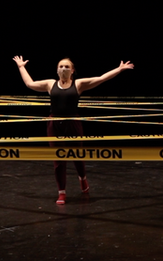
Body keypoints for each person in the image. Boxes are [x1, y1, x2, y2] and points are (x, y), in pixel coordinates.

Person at [13, 55, 133, 205]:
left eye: (67, 67)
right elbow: (30, 84)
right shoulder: (50, 84)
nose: (63, 68)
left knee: (77, 155)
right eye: (61, 66)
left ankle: (82, 178)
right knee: (58, 159)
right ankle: (61, 192)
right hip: (54, 124)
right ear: (57, 70)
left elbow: (101, 78)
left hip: (73, 123)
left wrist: (119, 69)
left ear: (72, 70)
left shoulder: (79, 84)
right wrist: (21, 66)